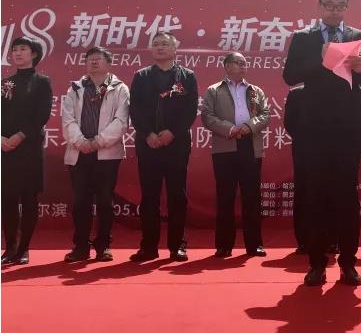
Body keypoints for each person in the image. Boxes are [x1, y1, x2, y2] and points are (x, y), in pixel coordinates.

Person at [283, 0, 361, 286]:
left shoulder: (359, 37)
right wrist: (321, 62)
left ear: (347, 6)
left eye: (340, 6)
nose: (335, 11)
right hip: (314, 130)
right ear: (320, 5)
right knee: (316, 197)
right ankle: (316, 264)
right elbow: (290, 75)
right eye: (329, 5)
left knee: (347, 197)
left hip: (347, 130)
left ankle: (348, 263)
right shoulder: (303, 38)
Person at [129, 31, 198, 262]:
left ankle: (178, 245)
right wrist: (147, 133)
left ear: (175, 49)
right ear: (151, 49)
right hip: (148, 144)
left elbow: (190, 109)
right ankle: (148, 247)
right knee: (149, 197)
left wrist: (172, 132)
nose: (160, 47)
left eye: (165, 44)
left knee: (177, 196)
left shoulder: (187, 76)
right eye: (156, 44)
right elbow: (135, 109)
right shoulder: (141, 76)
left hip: (176, 145)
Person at [61, 46, 129, 262]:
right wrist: (81, 142)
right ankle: (81, 246)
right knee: (80, 201)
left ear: (109, 63)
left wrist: (98, 141)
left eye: (98, 59)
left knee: (105, 201)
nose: (93, 62)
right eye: (90, 59)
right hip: (79, 152)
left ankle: (103, 246)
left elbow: (121, 121)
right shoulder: (75, 88)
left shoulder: (119, 88)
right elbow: (67, 119)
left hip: (107, 154)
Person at [201, 52, 270, 258]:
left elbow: (265, 114)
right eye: (238, 63)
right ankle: (224, 244)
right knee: (225, 196)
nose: (243, 66)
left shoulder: (255, 90)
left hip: (250, 145)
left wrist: (249, 126)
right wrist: (230, 129)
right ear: (227, 66)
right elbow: (207, 116)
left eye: (244, 63)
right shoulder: (214, 90)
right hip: (225, 146)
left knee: (252, 197)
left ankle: (254, 244)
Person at [1, 37, 53, 265]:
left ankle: (23, 249)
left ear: (34, 54)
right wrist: (2, 138)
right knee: (7, 199)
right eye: (14, 50)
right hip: (5, 149)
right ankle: (9, 248)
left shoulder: (42, 82)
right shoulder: (5, 83)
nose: (18, 53)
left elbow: (42, 114)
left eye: (23, 49)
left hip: (29, 148)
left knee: (28, 198)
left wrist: (20, 135)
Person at [284, 85, 339, 255]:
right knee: (304, 194)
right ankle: (304, 240)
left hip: (332, 152)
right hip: (305, 153)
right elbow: (290, 123)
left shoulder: (337, 91)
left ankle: (332, 240)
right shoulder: (296, 93)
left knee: (332, 194)